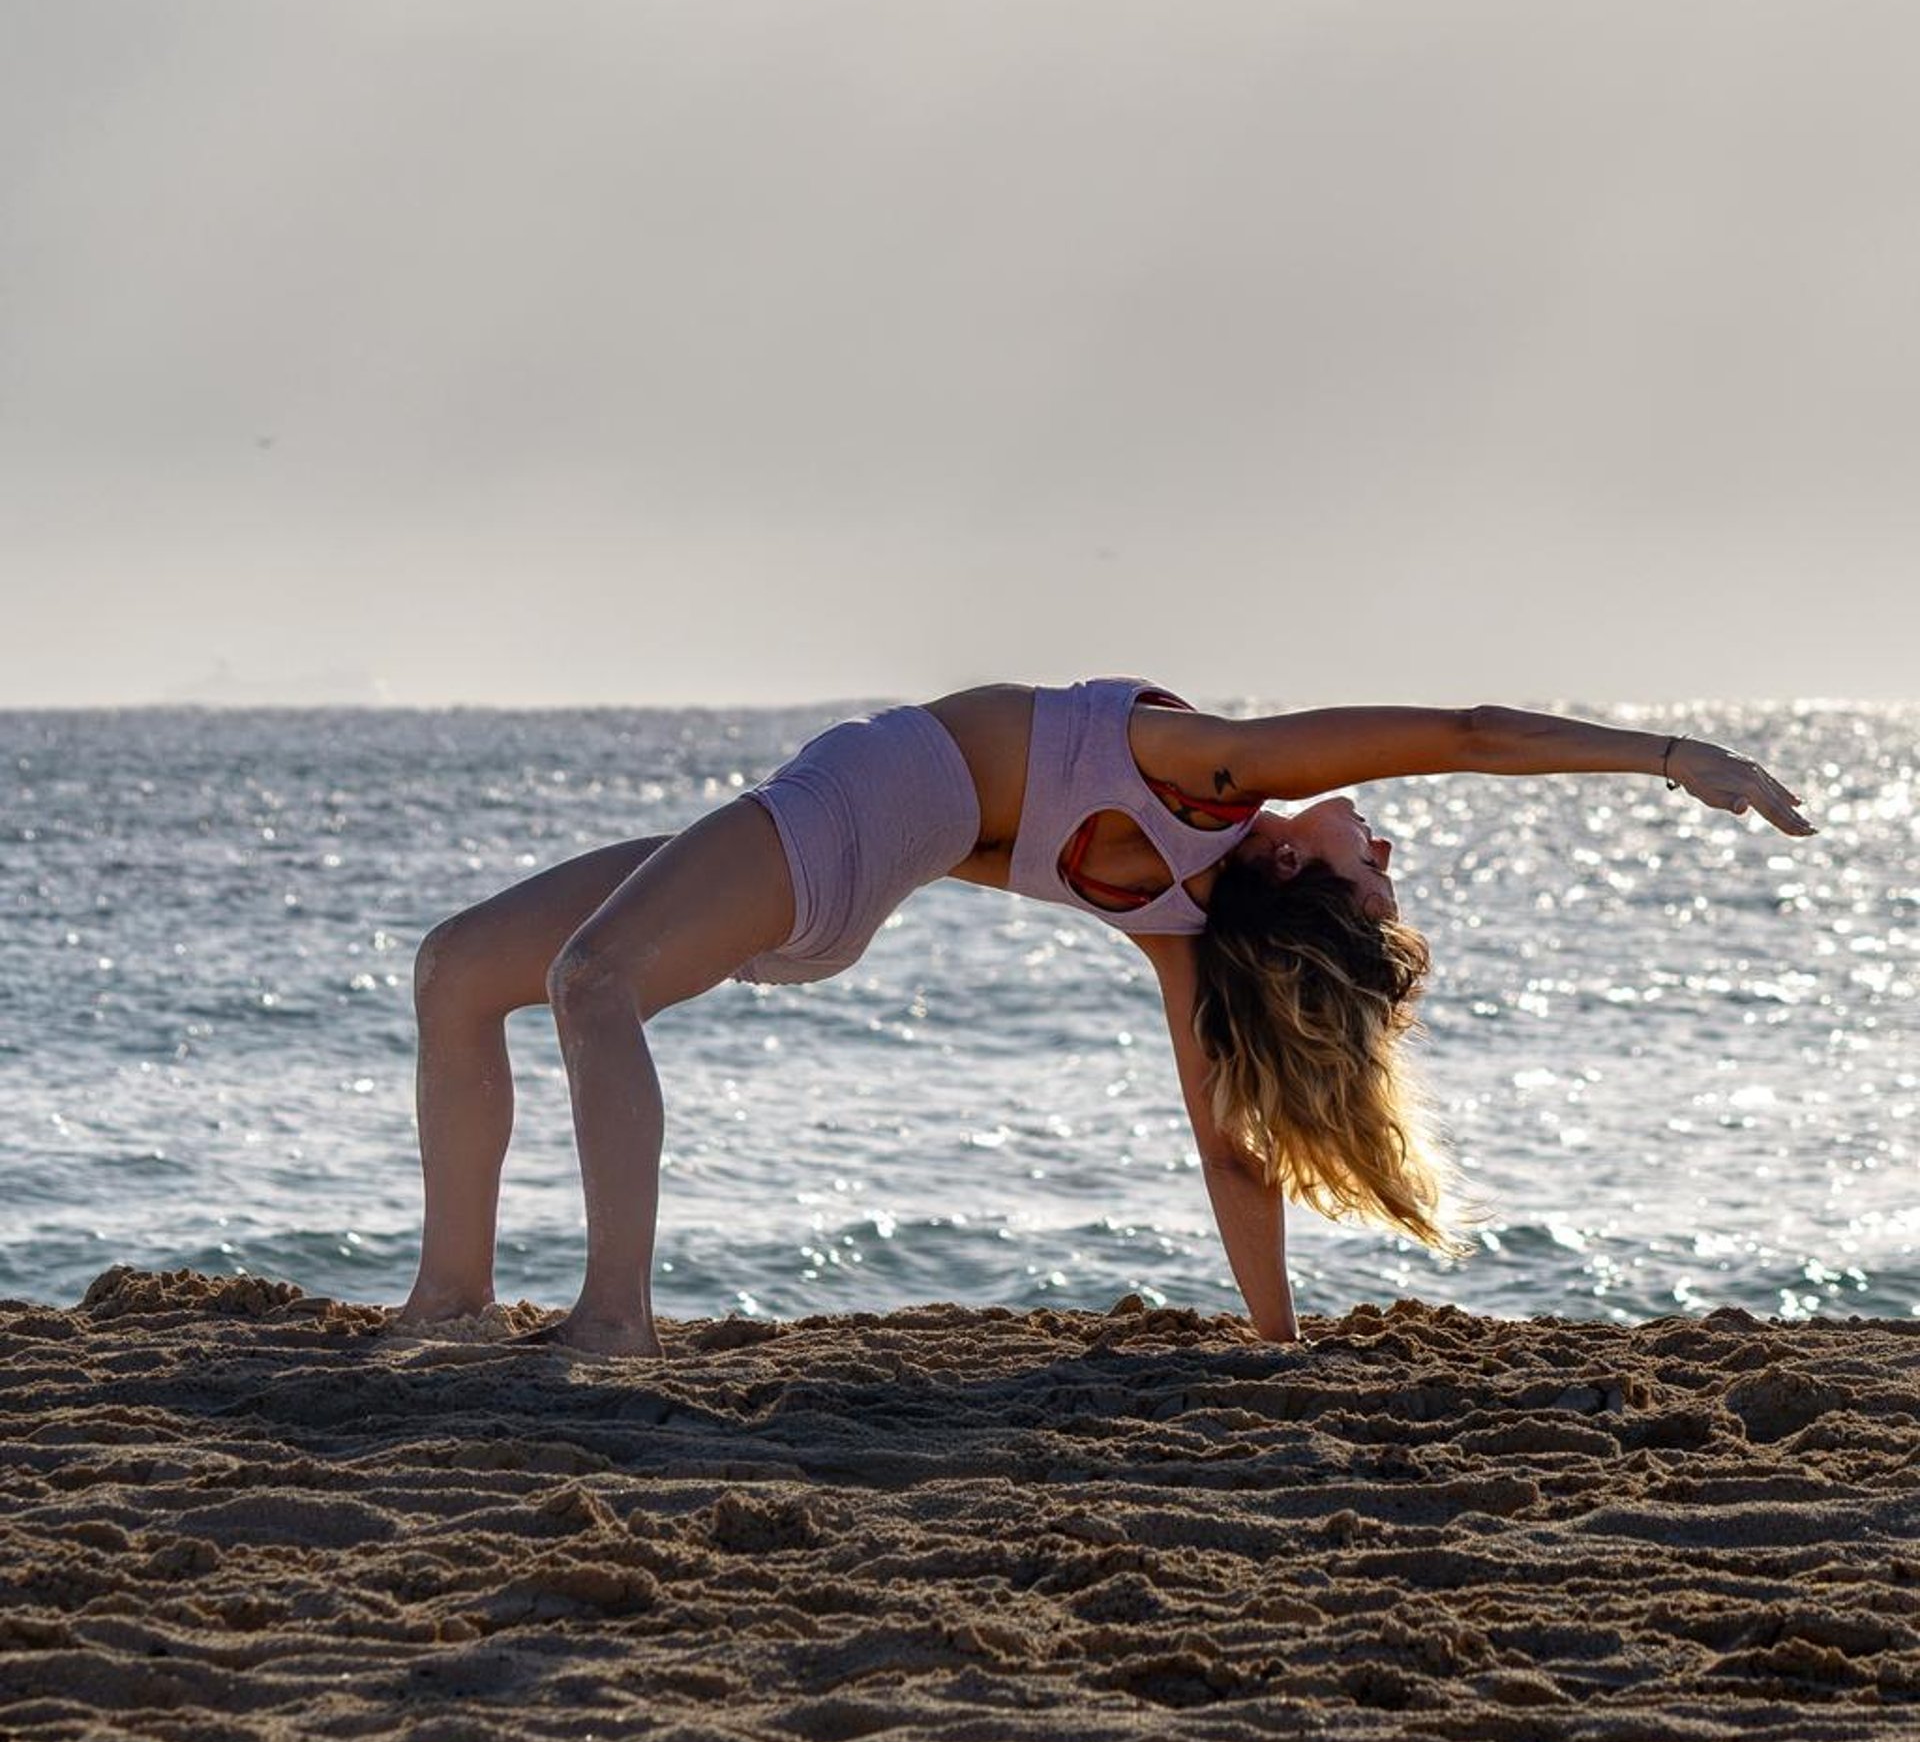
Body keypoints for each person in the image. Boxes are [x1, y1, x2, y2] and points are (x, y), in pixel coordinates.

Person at [396, 680, 1814, 1354]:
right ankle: (452, 1300)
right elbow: (1233, 1152)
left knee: (591, 985)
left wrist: (1673, 758)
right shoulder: (1178, 918)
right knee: (460, 970)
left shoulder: (1216, 777)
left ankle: (614, 1320)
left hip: (837, 831)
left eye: (1370, 872)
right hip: (824, 864)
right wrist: (1276, 1342)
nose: (1384, 846)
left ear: (1292, 869)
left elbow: (1461, 737)